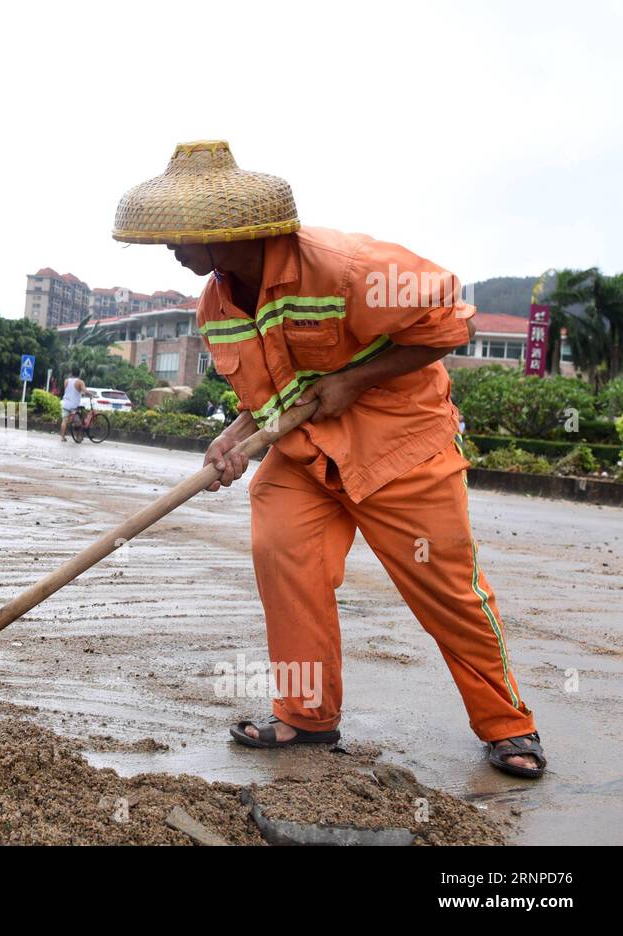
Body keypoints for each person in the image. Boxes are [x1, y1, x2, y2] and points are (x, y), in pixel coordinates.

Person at [112, 140, 543, 778]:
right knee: (283, 552)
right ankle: (307, 715)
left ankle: (509, 726)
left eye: (176, 234)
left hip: (400, 446)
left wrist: (354, 382)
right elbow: (268, 398)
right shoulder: (217, 304)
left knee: (445, 589)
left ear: (221, 229)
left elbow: (451, 327)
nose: (169, 248)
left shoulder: (348, 267)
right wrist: (234, 435)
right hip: (306, 454)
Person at [59, 368, 86, 441]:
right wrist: (91, 395)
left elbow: (67, 390)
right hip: (74, 406)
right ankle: (77, 437)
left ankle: (62, 437)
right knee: (77, 422)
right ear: (79, 374)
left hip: (65, 403)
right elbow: (84, 391)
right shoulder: (80, 382)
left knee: (64, 421)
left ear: (71, 373)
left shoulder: (66, 381)